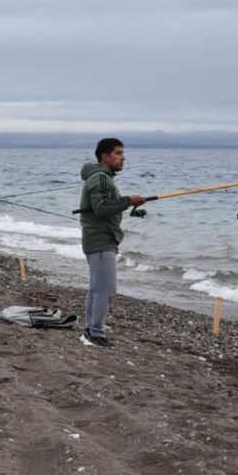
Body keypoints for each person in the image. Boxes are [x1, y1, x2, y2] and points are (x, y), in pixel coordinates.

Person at [78, 138, 146, 349]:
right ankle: (95, 333)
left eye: (122, 153)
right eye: (118, 153)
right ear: (105, 157)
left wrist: (128, 206)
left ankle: (91, 330)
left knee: (97, 288)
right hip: (100, 240)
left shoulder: (100, 177)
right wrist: (128, 201)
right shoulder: (101, 178)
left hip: (98, 238)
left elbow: (104, 208)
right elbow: (101, 208)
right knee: (105, 289)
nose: (123, 157)